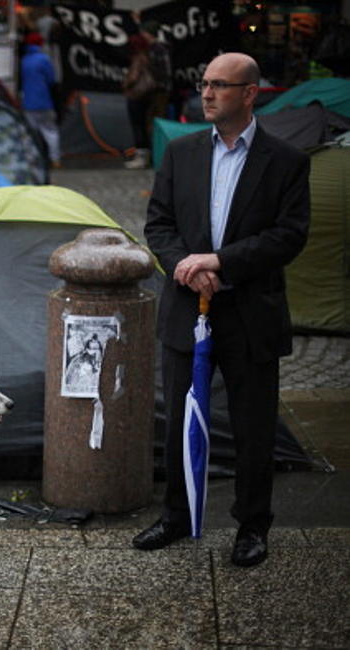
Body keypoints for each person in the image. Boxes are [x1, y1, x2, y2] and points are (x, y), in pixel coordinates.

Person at [137, 53, 310, 567]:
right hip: (188, 307)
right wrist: (190, 267)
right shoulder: (183, 152)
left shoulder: (285, 161)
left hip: (252, 311)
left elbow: (288, 235)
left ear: (250, 93)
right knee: (176, 423)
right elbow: (158, 225)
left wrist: (222, 262)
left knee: (253, 427)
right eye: (204, 82)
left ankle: (252, 526)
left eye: (219, 85)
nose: (206, 94)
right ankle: (174, 515)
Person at [122, 21, 172, 169]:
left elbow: (163, 73)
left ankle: (147, 156)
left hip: (150, 93)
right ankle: (152, 155)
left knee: (145, 125)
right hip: (153, 92)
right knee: (148, 124)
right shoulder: (155, 48)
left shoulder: (154, 49)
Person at [19, 32, 60, 169]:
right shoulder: (43, 59)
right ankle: (55, 159)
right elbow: (51, 79)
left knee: (30, 133)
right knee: (50, 132)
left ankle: (31, 160)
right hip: (44, 101)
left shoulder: (24, 60)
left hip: (28, 103)